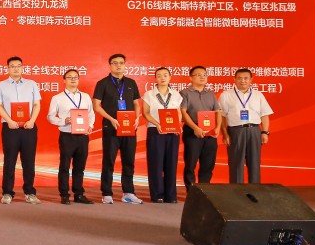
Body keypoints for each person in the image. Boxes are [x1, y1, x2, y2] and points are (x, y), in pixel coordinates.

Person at [92, 53, 143, 204]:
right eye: (115, 63)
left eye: (121, 63)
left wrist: (137, 118)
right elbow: (96, 106)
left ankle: (128, 192)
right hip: (111, 127)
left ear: (125, 65)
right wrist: (111, 119)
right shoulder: (103, 83)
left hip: (129, 128)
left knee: (129, 161)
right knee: (109, 161)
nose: (118, 65)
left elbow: (136, 103)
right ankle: (106, 193)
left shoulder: (131, 83)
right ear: (110, 65)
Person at [0, 56, 42, 205]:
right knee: (9, 161)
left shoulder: (31, 84)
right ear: (8, 68)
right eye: (12, 66)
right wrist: (9, 121)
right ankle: (7, 192)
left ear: (22, 68)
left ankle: (30, 192)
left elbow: (36, 104)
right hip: (10, 128)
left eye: (18, 66)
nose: (16, 68)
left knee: (29, 161)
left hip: (29, 127)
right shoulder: (1, 85)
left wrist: (32, 120)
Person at [47, 69, 95, 205]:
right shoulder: (57, 98)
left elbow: (91, 114)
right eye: (69, 77)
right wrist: (63, 120)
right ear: (64, 80)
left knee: (80, 167)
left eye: (75, 77)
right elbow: (50, 116)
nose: (73, 79)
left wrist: (90, 125)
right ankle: (64, 194)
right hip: (67, 135)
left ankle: (79, 194)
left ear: (78, 79)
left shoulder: (85, 96)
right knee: (64, 166)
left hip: (83, 135)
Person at [219, 68, 273, 183]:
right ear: (234, 79)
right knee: (236, 163)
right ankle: (236, 190)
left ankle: (254, 189)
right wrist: (225, 134)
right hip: (235, 131)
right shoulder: (226, 95)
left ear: (251, 80)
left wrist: (265, 132)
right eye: (239, 78)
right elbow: (222, 116)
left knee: (254, 162)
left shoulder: (258, 95)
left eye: (246, 78)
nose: (242, 81)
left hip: (254, 130)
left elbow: (264, 115)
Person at [142, 67, 183, 203]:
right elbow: (145, 113)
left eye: (165, 75)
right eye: (159, 75)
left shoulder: (176, 94)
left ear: (170, 77)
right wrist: (157, 123)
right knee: (156, 163)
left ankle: (171, 195)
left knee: (171, 163)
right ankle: (157, 194)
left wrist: (177, 125)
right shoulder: (149, 94)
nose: (162, 78)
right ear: (155, 78)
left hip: (172, 131)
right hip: (156, 130)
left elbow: (178, 112)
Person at [179, 65, 221, 189]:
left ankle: (204, 190)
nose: (202, 77)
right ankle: (191, 191)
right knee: (190, 164)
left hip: (210, 132)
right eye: (198, 75)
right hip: (193, 131)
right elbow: (183, 112)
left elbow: (217, 112)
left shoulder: (211, 94)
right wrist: (195, 128)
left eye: (204, 75)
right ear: (191, 78)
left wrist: (218, 127)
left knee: (208, 164)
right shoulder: (185, 93)